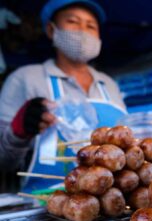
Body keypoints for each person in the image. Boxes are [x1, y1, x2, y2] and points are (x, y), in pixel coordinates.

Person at [0, 0, 127, 192]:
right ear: (52, 30)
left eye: (91, 26)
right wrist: (19, 131)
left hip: (110, 202)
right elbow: (4, 162)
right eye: (73, 22)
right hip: (41, 205)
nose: (83, 31)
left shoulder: (109, 84)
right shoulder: (25, 78)